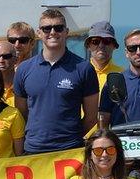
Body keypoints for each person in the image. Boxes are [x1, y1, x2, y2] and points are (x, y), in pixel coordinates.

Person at [13, 9, 99, 153]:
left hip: (70, 151)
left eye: (58, 28)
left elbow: (91, 118)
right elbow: (21, 114)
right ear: (39, 33)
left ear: (67, 32)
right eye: (47, 28)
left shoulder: (84, 68)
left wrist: (70, 137)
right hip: (33, 151)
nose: (52, 32)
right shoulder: (24, 69)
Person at [84, 21, 123, 94]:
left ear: (114, 46)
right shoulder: (79, 73)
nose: (101, 45)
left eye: (106, 41)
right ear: (88, 46)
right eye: (95, 41)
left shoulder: (122, 76)